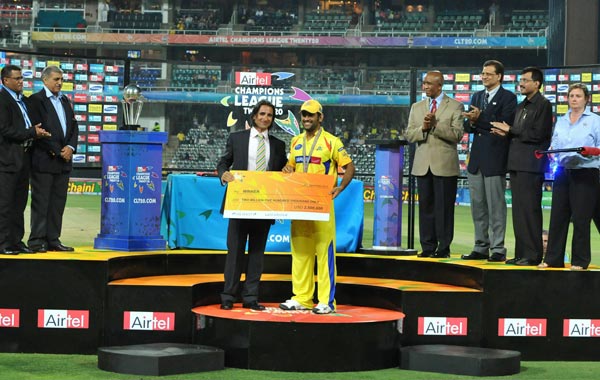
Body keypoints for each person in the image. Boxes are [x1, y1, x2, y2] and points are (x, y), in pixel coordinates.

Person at [279, 99, 355, 314]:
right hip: (300, 205)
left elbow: (349, 167)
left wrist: (339, 188)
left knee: (324, 253)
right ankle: (301, 298)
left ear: (320, 117)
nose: (306, 118)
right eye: (304, 115)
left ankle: (326, 301)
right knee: (300, 252)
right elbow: (291, 166)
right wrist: (287, 169)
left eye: (311, 115)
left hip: (322, 206)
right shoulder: (295, 141)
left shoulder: (332, 141)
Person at [216, 100, 287, 311]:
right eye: (263, 114)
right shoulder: (236, 138)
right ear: (254, 116)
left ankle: (251, 298)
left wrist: (287, 170)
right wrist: (223, 175)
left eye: (270, 115)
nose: (266, 118)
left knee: (257, 255)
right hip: (239, 204)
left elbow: (282, 170)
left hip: (264, 206)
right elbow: (223, 163)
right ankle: (228, 297)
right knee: (235, 252)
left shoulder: (278, 145)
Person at [491, 67, 553, 266]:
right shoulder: (521, 106)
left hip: (531, 165)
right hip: (516, 163)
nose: (521, 83)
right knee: (518, 212)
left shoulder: (543, 105)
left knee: (530, 211)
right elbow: (518, 132)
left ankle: (533, 255)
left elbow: (539, 134)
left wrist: (511, 130)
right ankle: (521, 253)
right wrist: (507, 133)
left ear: (537, 83)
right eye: (521, 80)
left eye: (525, 80)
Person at [539, 83, 600, 270]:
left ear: (586, 99)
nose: (574, 99)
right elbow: (555, 143)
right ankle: (552, 259)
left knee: (581, 219)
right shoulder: (562, 120)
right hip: (564, 171)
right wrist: (551, 151)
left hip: (586, 171)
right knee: (558, 217)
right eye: (571, 95)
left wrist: (590, 152)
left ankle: (580, 261)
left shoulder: (595, 120)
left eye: (578, 96)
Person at [461, 60, 516, 262]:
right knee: (478, 207)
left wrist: (480, 119)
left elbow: (502, 125)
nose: (484, 77)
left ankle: (498, 249)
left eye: (488, 74)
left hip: (495, 159)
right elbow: (470, 126)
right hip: (476, 160)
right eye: (483, 73)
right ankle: (480, 246)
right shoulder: (477, 96)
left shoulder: (508, 98)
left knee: (496, 208)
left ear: (499, 76)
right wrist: (473, 121)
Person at [405, 71, 464, 258]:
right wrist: (423, 128)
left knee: (444, 209)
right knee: (426, 208)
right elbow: (409, 134)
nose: (425, 87)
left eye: (429, 84)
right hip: (422, 165)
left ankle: (443, 248)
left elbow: (457, 135)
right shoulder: (417, 107)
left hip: (445, 166)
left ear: (440, 85)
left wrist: (436, 126)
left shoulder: (455, 106)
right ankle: (427, 247)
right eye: (424, 83)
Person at [27, 65, 79, 253]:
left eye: (61, 79)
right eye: (56, 79)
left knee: (58, 203)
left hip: (64, 162)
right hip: (44, 160)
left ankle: (53, 239)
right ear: (45, 80)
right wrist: (58, 151)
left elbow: (74, 127)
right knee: (41, 202)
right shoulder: (36, 100)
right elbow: (38, 130)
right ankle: (37, 240)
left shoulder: (65, 100)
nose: (60, 82)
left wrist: (71, 148)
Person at [0, 65, 50, 255]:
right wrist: (31, 132)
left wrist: (35, 133)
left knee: (19, 204)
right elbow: (4, 130)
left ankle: (16, 241)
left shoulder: (21, 101)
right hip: (7, 160)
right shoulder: (2, 100)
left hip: (23, 158)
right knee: (5, 204)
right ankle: (3, 243)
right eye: (17, 78)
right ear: (6, 81)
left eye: (22, 78)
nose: (21, 81)